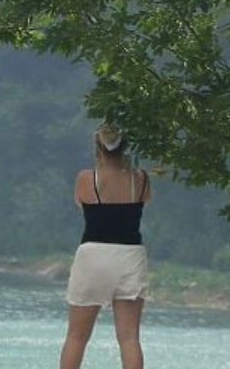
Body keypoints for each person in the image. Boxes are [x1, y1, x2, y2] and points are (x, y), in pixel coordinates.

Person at [59, 125, 152, 369]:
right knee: (129, 337)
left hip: (94, 256)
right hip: (130, 257)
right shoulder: (140, 179)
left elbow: (81, 201)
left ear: (97, 146)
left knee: (76, 337)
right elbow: (145, 200)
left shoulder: (86, 179)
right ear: (125, 147)